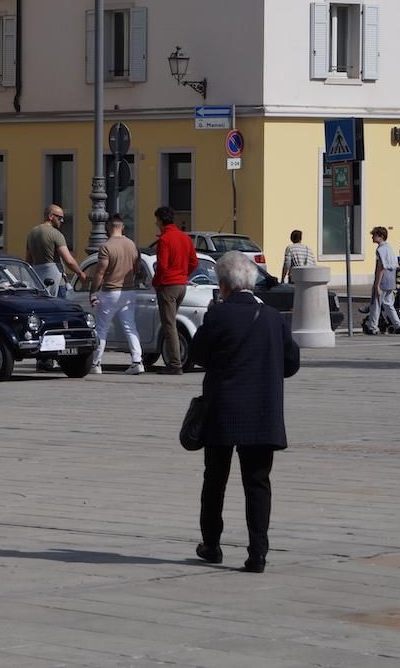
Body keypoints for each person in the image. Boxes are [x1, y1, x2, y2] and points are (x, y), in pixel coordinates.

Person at [189, 251, 300, 575]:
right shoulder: (273, 317)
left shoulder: (218, 315)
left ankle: (212, 544)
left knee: (215, 479)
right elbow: (291, 363)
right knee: (257, 482)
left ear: (223, 285)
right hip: (262, 411)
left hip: (222, 409)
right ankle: (258, 554)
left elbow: (197, 355)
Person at [88, 213, 144, 375]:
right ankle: (137, 361)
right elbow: (138, 269)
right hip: (129, 291)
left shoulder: (106, 247)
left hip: (110, 292)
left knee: (102, 329)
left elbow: (100, 272)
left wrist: (93, 292)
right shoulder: (132, 245)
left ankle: (96, 363)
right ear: (122, 227)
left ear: (108, 227)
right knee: (130, 327)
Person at [152, 205, 196, 375]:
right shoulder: (185, 237)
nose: (156, 223)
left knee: (169, 325)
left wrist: (156, 282)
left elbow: (162, 266)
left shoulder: (164, 239)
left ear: (161, 220)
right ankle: (176, 360)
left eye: (157, 220)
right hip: (181, 285)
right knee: (172, 323)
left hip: (168, 285)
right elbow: (194, 262)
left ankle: (175, 364)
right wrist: (184, 274)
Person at [25, 204, 84, 297]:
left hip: (38, 281)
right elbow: (69, 260)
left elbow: (28, 260)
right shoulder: (56, 234)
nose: (62, 221)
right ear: (51, 216)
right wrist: (80, 273)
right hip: (56, 282)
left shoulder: (31, 234)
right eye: (60, 218)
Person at [364, 226, 400, 335]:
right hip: (391, 279)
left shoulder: (380, 250)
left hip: (383, 279)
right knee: (388, 304)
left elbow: (380, 267)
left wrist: (377, 284)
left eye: (374, 235)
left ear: (381, 236)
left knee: (376, 304)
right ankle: (398, 325)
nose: (372, 237)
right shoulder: (390, 248)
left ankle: (373, 327)